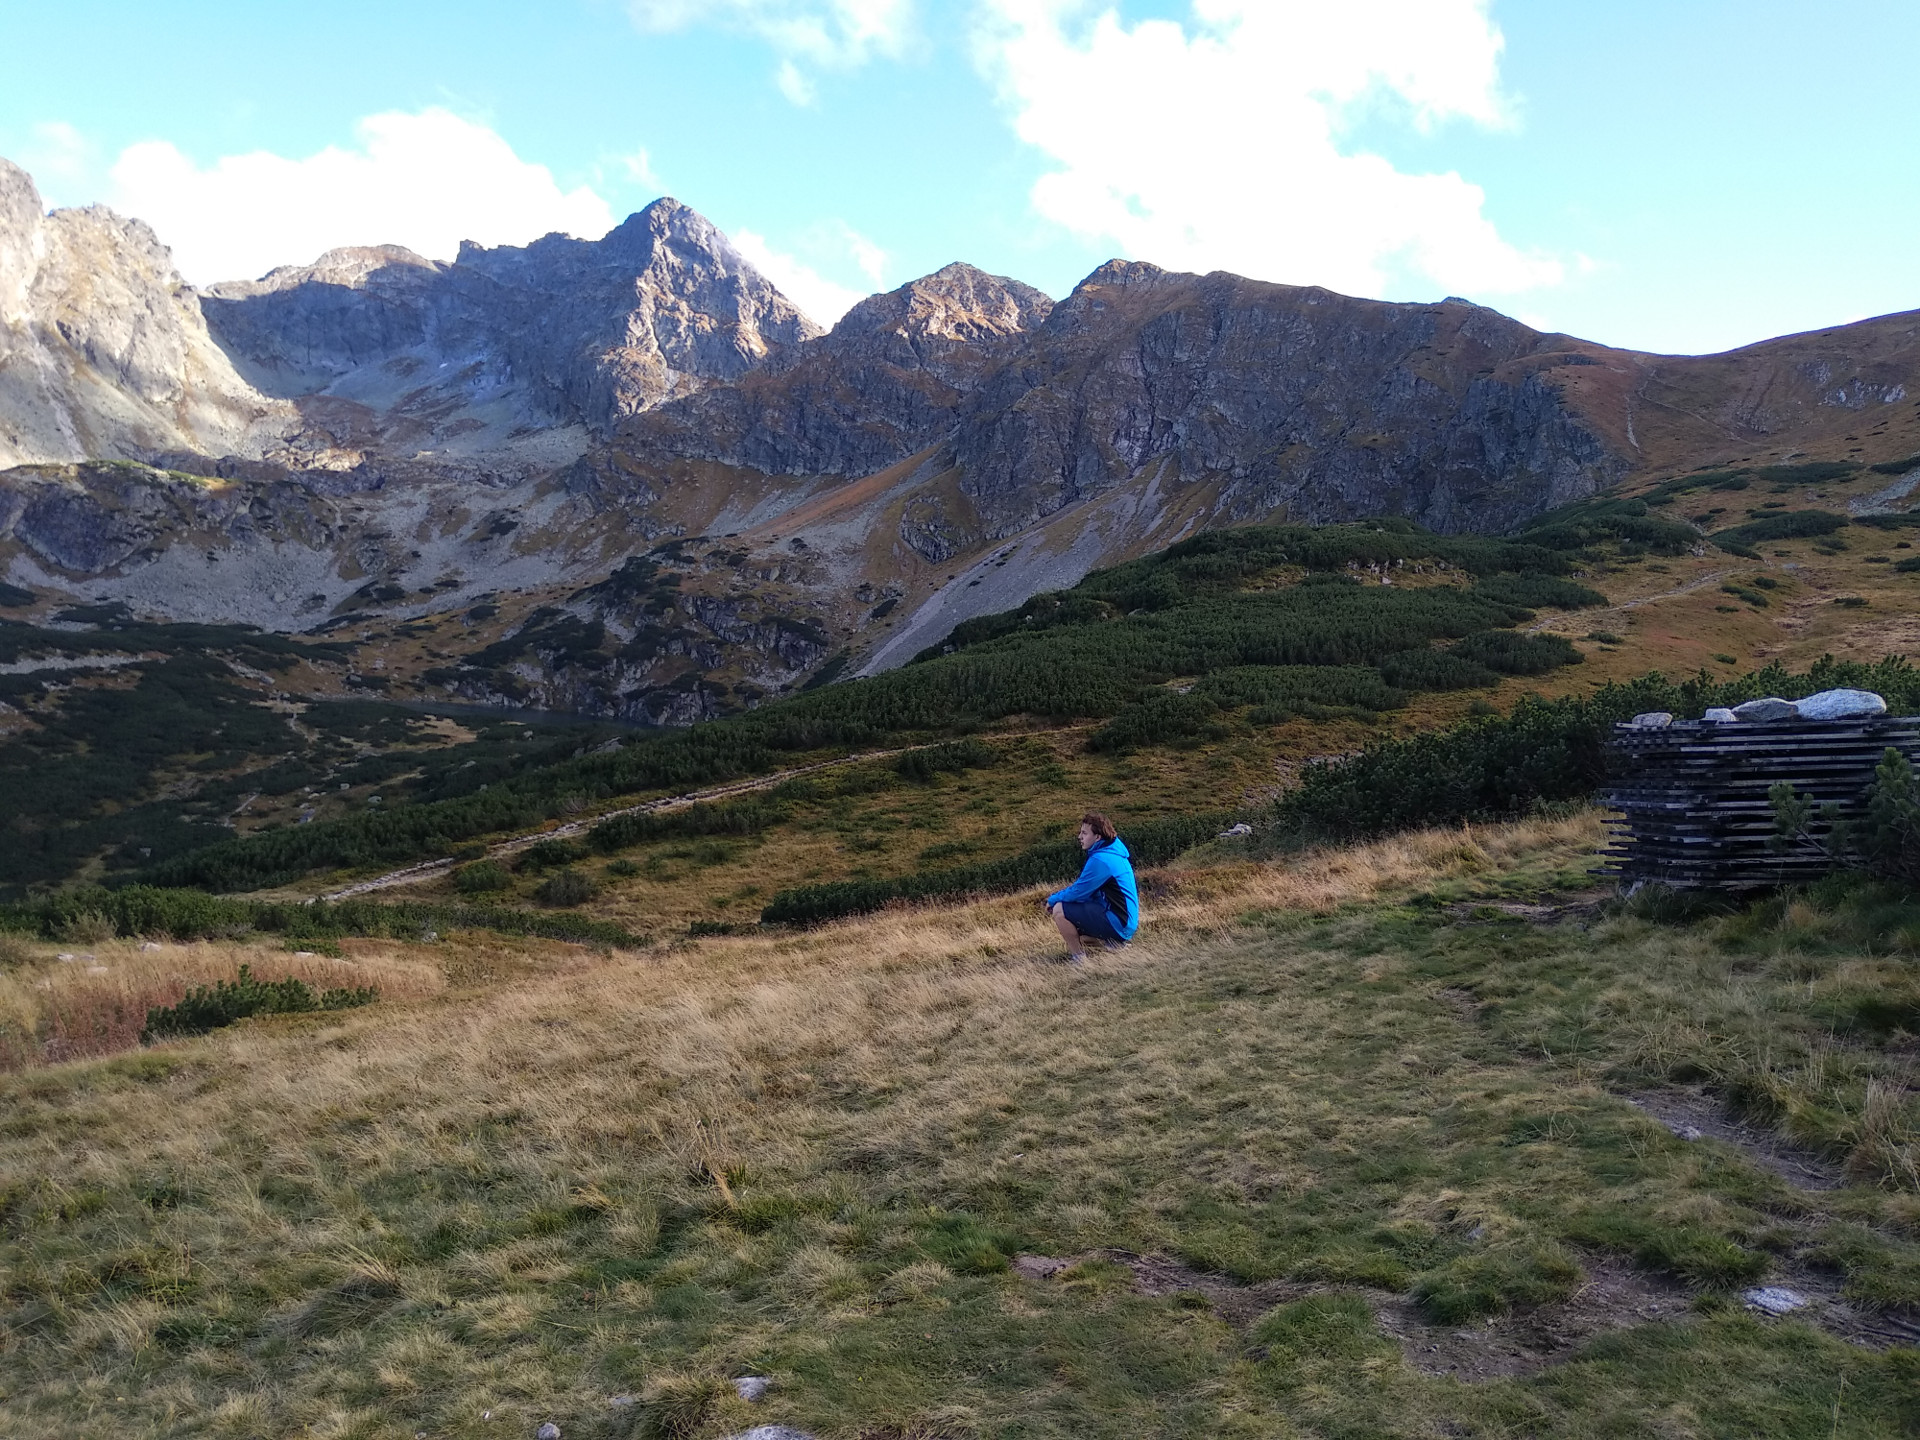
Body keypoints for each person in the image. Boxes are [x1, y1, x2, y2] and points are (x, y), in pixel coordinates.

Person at [1045, 811, 1139, 963]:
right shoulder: (1112, 852)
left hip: (1118, 922)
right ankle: (1113, 944)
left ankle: (1079, 960)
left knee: (1059, 909)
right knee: (1080, 936)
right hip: (1125, 922)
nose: (1079, 837)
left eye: (1084, 833)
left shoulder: (1101, 860)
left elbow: (1078, 892)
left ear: (1097, 837)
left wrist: (1052, 899)